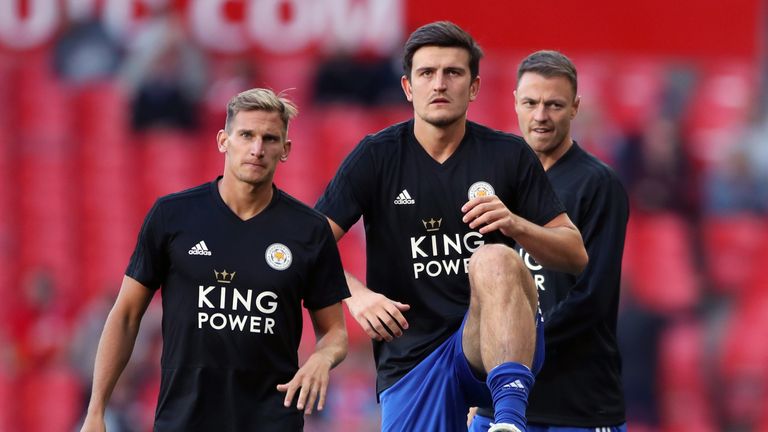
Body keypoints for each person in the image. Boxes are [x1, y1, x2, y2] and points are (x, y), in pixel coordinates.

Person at [315, 22, 588, 432]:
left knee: (494, 257)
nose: (439, 84)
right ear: (408, 87)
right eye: (427, 73)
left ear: (474, 87)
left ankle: (509, 421)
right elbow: (305, 246)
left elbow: (575, 253)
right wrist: (357, 297)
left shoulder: (508, 155)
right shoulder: (376, 157)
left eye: (453, 73)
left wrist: (515, 225)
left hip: (492, 341)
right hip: (410, 356)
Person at [80, 88, 350, 432]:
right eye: (247, 135)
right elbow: (127, 315)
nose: (257, 149)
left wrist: (322, 358)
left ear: (285, 150)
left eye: (270, 139)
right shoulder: (172, 216)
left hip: (270, 422)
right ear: (224, 140)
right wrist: (96, 411)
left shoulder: (309, 230)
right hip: (185, 421)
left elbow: (335, 332)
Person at [469, 51, 630, 432]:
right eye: (531, 103)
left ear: (575, 108)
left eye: (554, 105)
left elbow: (592, 297)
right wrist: (475, 381)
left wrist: (517, 351)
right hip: (501, 401)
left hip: (577, 405)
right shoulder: (496, 181)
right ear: (515, 102)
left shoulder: (598, 185)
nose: (540, 115)